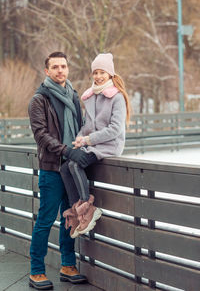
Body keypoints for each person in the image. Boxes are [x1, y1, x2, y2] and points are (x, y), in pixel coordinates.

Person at [28, 52, 87, 290]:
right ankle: (36, 270)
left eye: (63, 66)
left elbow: (81, 127)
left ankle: (68, 265)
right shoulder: (39, 100)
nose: (60, 70)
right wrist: (66, 150)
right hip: (52, 169)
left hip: (71, 169)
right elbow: (41, 135)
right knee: (45, 219)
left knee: (69, 217)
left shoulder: (73, 95)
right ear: (47, 71)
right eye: (55, 67)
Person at [60, 53, 131, 239]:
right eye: (95, 72)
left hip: (108, 145)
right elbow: (86, 125)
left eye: (102, 72)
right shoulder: (90, 96)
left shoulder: (117, 97)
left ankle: (87, 208)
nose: (98, 76)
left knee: (75, 164)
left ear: (110, 74)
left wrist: (88, 140)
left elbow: (115, 129)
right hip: (90, 144)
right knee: (65, 167)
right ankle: (77, 210)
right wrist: (79, 139)